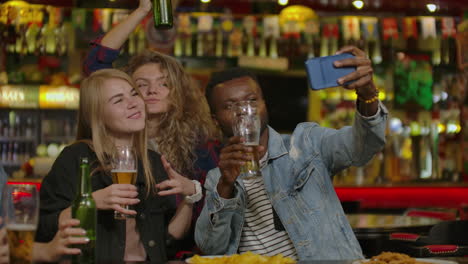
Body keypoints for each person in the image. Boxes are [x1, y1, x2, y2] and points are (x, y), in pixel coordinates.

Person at [195, 46, 388, 260]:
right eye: (230, 106)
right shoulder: (216, 178)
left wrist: (368, 96)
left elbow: (363, 147)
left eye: (251, 101)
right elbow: (210, 249)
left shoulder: (306, 142)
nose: (244, 113)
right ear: (215, 119)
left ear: (264, 104)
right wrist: (225, 187)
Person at [83, 0, 220, 254]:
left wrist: (194, 191)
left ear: (178, 93)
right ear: (129, 91)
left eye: (163, 83)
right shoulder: (116, 137)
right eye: (141, 84)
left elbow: (224, 205)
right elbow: (95, 66)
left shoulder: (199, 146)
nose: (152, 90)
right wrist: (143, 10)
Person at [36, 69, 198, 263]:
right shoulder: (77, 158)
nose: (133, 103)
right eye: (118, 100)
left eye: (134, 93)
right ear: (97, 114)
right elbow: (43, 228)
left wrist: (190, 197)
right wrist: (90, 203)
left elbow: (169, 241)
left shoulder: (153, 161)